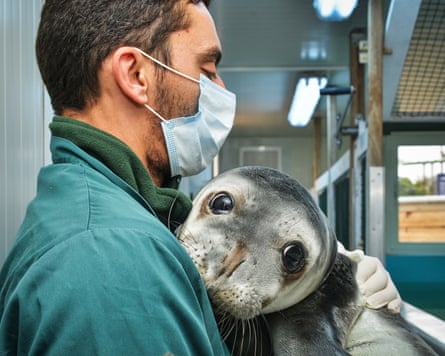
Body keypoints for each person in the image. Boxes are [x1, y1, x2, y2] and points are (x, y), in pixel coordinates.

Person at [0, 0, 400, 355]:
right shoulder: (110, 262)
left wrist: (330, 278)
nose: (221, 89)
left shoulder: (120, 214)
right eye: (207, 69)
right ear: (137, 74)